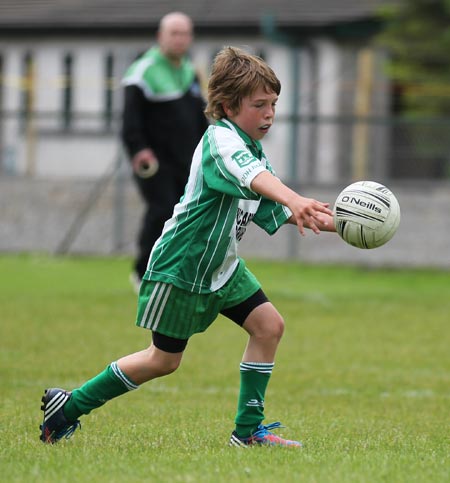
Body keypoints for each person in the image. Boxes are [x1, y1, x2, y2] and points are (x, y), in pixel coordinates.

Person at [39, 46, 336, 447]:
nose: (269, 114)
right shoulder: (221, 142)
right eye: (259, 105)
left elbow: (275, 209)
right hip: (183, 267)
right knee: (162, 360)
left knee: (269, 327)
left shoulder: (251, 147)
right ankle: (70, 405)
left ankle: (247, 432)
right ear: (228, 106)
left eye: (274, 105)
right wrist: (295, 198)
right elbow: (256, 181)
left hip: (223, 268)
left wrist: (345, 225)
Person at [121, 11, 208, 289]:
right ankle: (142, 271)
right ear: (161, 36)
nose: (180, 39)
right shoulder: (143, 71)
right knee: (161, 210)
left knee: (185, 215)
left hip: (187, 161)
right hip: (155, 161)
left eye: (185, 34)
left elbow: (199, 118)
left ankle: (174, 274)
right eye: (174, 33)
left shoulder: (190, 72)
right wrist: (139, 150)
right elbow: (130, 120)